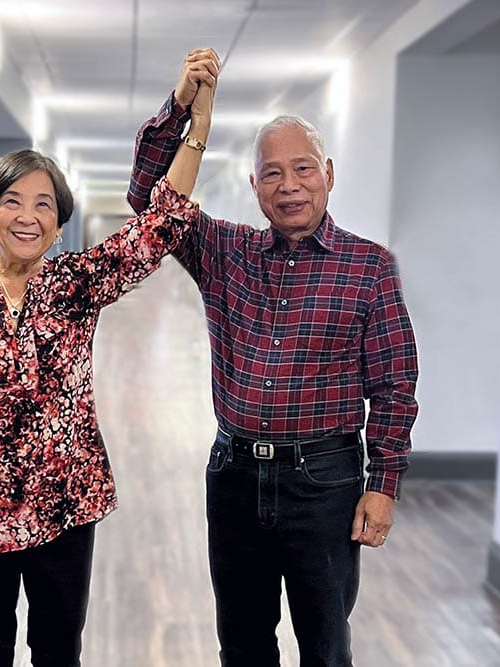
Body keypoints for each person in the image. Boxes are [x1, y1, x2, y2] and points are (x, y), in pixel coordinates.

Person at [0, 64, 215, 667]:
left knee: (58, 649)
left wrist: (194, 130)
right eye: (12, 201)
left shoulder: (76, 283)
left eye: (43, 205)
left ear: (59, 226)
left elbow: (157, 229)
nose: (26, 215)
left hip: (65, 501)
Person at [128, 48, 419, 667]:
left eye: (303, 169)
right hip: (233, 478)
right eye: (273, 174)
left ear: (329, 174)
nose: (290, 186)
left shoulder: (368, 267)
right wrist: (184, 109)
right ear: (253, 184)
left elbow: (395, 385)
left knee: (324, 644)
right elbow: (150, 201)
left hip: (327, 483)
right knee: (242, 641)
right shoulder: (222, 250)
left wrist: (383, 485)